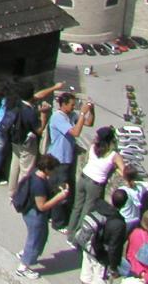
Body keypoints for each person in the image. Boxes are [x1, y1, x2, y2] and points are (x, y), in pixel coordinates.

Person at [16, 153, 70, 280]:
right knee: (35, 239)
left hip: (31, 213)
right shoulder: (38, 185)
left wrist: (57, 189)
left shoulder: (36, 174)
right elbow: (42, 206)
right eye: (53, 170)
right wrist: (60, 197)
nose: (54, 173)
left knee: (41, 235)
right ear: (46, 169)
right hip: (35, 215)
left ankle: (26, 254)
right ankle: (23, 267)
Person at [47, 92, 94, 231]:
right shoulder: (58, 117)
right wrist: (81, 114)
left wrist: (91, 110)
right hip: (58, 158)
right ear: (63, 104)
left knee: (59, 190)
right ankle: (58, 223)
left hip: (66, 158)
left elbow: (89, 123)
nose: (74, 107)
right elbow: (75, 132)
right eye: (72, 105)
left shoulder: (71, 115)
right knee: (61, 192)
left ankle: (52, 216)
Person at [69, 126, 125, 241]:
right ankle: (77, 238)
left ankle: (70, 234)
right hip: (95, 184)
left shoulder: (93, 147)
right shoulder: (114, 155)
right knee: (86, 211)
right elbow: (124, 171)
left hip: (83, 178)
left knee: (77, 208)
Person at [77, 189, 129, 284]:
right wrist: (113, 267)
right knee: (99, 280)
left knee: (86, 277)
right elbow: (114, 247)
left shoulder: (98, 206)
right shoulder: (118, 223)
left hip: (88, 246)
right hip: (100, 256)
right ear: (124, 204)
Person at [121, 166, 148, 230]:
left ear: (124, 176)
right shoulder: (143, 186)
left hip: (125, 218)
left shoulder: (122, 190)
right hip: (136, 218)